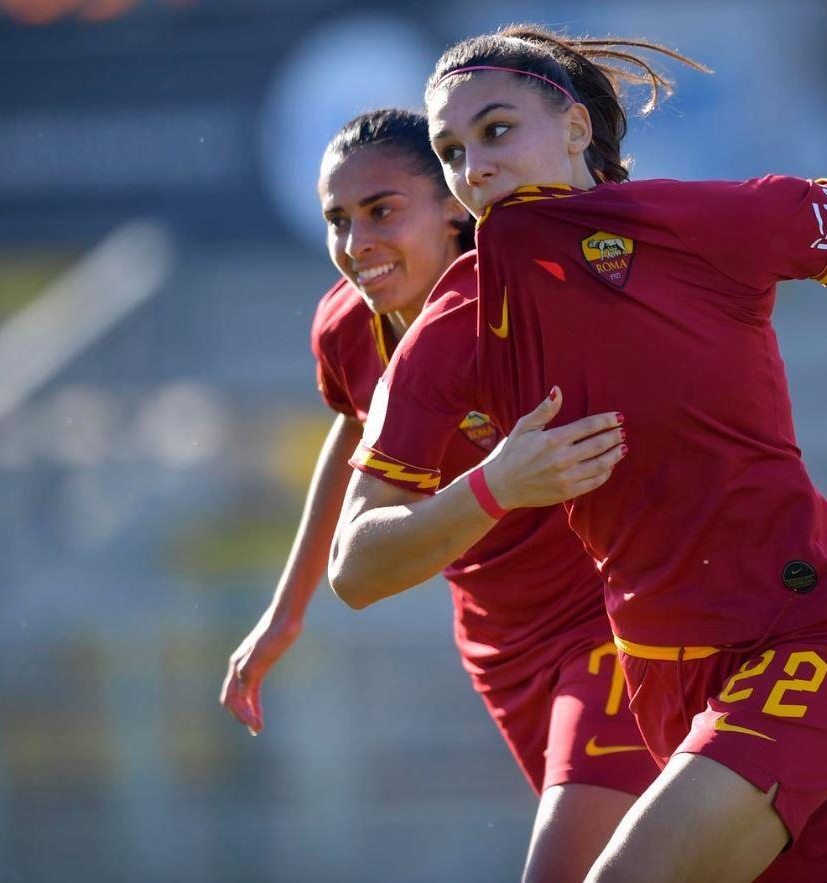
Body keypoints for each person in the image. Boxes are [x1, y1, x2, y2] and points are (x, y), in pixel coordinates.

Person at [329, 26, 827, 883]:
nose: (475, 168)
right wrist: (494, 487)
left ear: (575, 130)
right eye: (452, 152)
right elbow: (355, 567)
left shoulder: (705, 222)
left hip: (805, 650)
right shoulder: (456, 323)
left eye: (497, 131)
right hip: (664, 686)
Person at [219, 108, 662, 882]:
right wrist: (286, 610)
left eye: (382, 210)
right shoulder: (347, 327)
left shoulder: (529, 293)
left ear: (456, 205)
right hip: (502, 647)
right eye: (337, 220)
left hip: (616, 622)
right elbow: (359, 437)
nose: (356, 245)